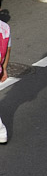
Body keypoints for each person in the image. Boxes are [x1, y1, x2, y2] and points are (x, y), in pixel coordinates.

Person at [0, 15, 11, 144]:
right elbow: (8, 49)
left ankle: (1, 130)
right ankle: (1, 132)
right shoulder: (5, 27)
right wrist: (4, 68)